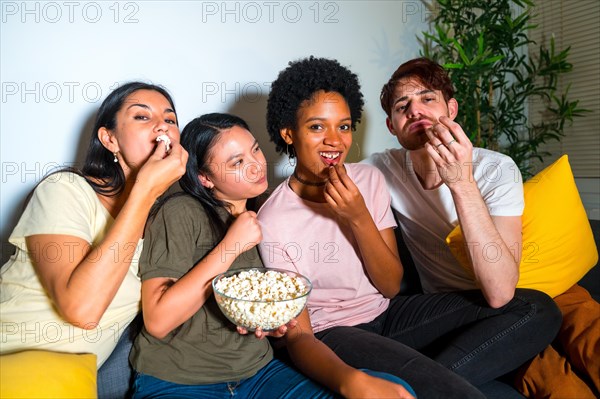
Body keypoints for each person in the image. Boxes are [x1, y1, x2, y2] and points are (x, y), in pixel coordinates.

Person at [129, 112, 414, 399]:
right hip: (178, 381)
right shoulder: (180, 211)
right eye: (237, 162)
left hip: (259, 374)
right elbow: (158, 321)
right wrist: (232, 245)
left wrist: (272, 326)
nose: (255, 166)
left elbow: (291, 328)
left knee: (393, 389)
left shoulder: (268, 218)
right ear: (205, 178)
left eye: (254, 149)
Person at [258, 56, 490, 398]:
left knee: (533, 307)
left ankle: (423, 376)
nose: (334, 140)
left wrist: (358, 216)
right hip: (334, 333)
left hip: (389, 314)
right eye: (317, 127)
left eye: (345, 126)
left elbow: (391, 286)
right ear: (289, 133)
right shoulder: (274, 219)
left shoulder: (368, 179)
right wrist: (349, 380)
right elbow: (299, 336)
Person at [365, 57, 570, 391]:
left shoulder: (496, 170)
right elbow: (317, 180)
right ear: (392, 126)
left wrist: (461, 183)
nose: (415, 110)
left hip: (501, 299)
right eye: (403, 106)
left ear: (452, 108)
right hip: (440, 310)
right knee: (538, 313)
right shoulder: (380, 170)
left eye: (427, 98)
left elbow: (501, 292)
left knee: (546, 314)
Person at [0, 82, 188, 395]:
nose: (161, 125)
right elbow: (81, 310)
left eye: (170, 120)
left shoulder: (169, 220)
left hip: (74, 378)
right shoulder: (65, 190)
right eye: (142, 117)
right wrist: (144, 190)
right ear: (109, 139)